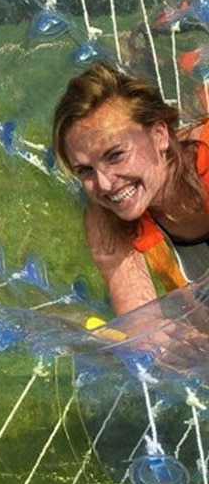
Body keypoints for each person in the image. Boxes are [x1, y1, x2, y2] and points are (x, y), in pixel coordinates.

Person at [52, 62, 209, 316]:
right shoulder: (105, 218)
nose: (104, 184)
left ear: (159, 135)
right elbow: (142, 324)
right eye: (85, 170)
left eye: (115, 155)